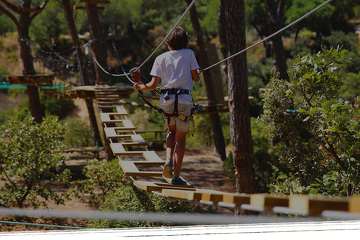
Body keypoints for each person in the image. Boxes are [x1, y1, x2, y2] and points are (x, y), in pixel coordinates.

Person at [133, 26, 200, 185]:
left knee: (171, 131)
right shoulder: (189, 54)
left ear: (168, 42)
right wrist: (196, 73)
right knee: (181, 139)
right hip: (184, 101)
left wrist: (140, 87)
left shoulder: (160, 58)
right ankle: (176, 176)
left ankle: (168, 160)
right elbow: (196, 77)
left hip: (167, 101)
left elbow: (152, 84)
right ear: (185, 41)